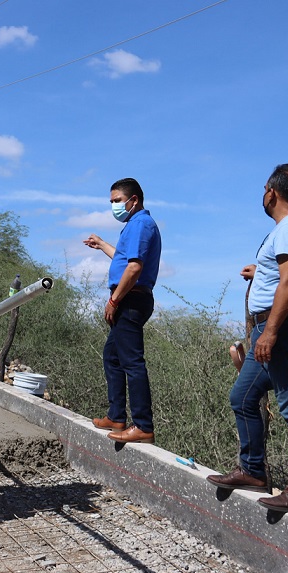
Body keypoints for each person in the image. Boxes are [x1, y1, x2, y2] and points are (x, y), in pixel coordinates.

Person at [207, 164, 288, 514]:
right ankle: (253, 470)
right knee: (243, 397)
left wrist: (270, 332)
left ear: (272, 192)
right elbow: (286, 275)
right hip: (276, 326)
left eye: (264, 190)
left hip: (282, 329)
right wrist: (261, 274)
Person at [83, 178, 161, 444]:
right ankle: (116, 416)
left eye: (117, 201)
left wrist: (114, 300)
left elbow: (134, 268)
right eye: (112, 202)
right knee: (113, 356)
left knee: (132, 361)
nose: (114, 206)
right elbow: (124, 259)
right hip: (128, 298)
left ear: (134, 200)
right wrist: (102, 244)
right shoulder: (133, 225)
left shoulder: (140, 223)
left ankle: (142, 425)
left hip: (131, 299)